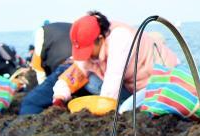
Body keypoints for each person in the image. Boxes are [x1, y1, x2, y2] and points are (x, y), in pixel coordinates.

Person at [20, 12, 178, 116]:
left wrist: (100, 113)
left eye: (89, 50)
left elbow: (112, 83)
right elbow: (75, 72)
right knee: (86, 79)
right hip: (131, 86)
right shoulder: (93, 49)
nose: (86, 56)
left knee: (124, 111)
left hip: (158, 85)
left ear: (100, 38)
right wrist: (59, 98)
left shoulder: (120, 38)